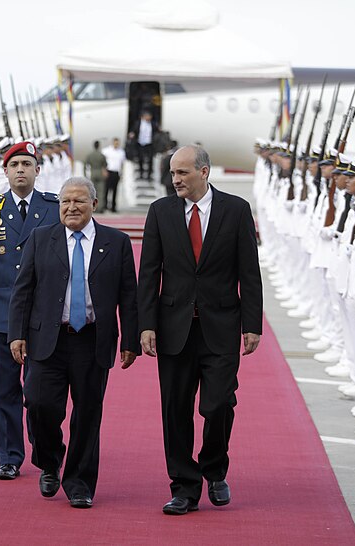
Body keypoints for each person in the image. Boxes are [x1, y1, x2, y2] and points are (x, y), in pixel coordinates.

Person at [137, 145, 262, 516]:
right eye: (173, 173)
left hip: (221, 326)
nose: (175, 180)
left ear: (204, 172)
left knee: (219, 403)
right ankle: (184, 487)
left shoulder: (236, 210)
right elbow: (149, 272)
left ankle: (214, 468)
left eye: (182, 173)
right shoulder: (160, 212)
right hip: (174, 327)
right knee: (175, 411)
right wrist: (146, 325)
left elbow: (249, 272)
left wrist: (252, 325)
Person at [8, 176, 139, 508]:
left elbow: (129, 294)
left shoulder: (116, 242)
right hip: (47, 339)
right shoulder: (41, 239)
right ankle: (50, 461)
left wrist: (131, 338)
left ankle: (79, 481)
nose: (71, 207)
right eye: (65, 201)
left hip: (93, 339)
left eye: (79, 201)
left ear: (94, 205)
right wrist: (17, 334)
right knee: (38, 404)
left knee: (88, 413)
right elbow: (22, 290)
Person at [0, 141, 60, 480]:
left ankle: (43, 447)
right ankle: (9, 455)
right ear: (4, 172)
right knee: (4, 387)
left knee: (40, 390)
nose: (21, 169)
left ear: (38, 170)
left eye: (27, 164)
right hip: (1, 312)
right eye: (14, 164)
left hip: (41, 314)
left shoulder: (52, 207)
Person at [101, 138, 126, 213]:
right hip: (109, 171)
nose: (116, 144)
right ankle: (105, 205)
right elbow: (102, 162)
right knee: (106, 190)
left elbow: (122, 164)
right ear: (112, 143)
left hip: (116, 172)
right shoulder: (107, 151)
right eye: (115, 143)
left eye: (117, 143)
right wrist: (104, 171)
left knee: (115, 190)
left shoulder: (121, 152)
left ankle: (113, 207)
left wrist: (122, 173)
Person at [133, 111, 158, 179]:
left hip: (149, 144)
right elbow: (135, 131)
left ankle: (149, 174)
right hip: (140, 143)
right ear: (143, 117)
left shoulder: (153, 124)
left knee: (150, 159)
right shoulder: (138, 123)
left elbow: (156, 132)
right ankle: (141, 173)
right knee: (140, 158)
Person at [84, 140, 107, 207]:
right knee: (101, 192)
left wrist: (85, 175)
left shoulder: (90, 155)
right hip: (100, 173)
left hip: (93, 172)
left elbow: (85, 165)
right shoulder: (101, 155)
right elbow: (105, 165)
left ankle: (93, 207)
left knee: (93, 192)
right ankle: (100, 207)